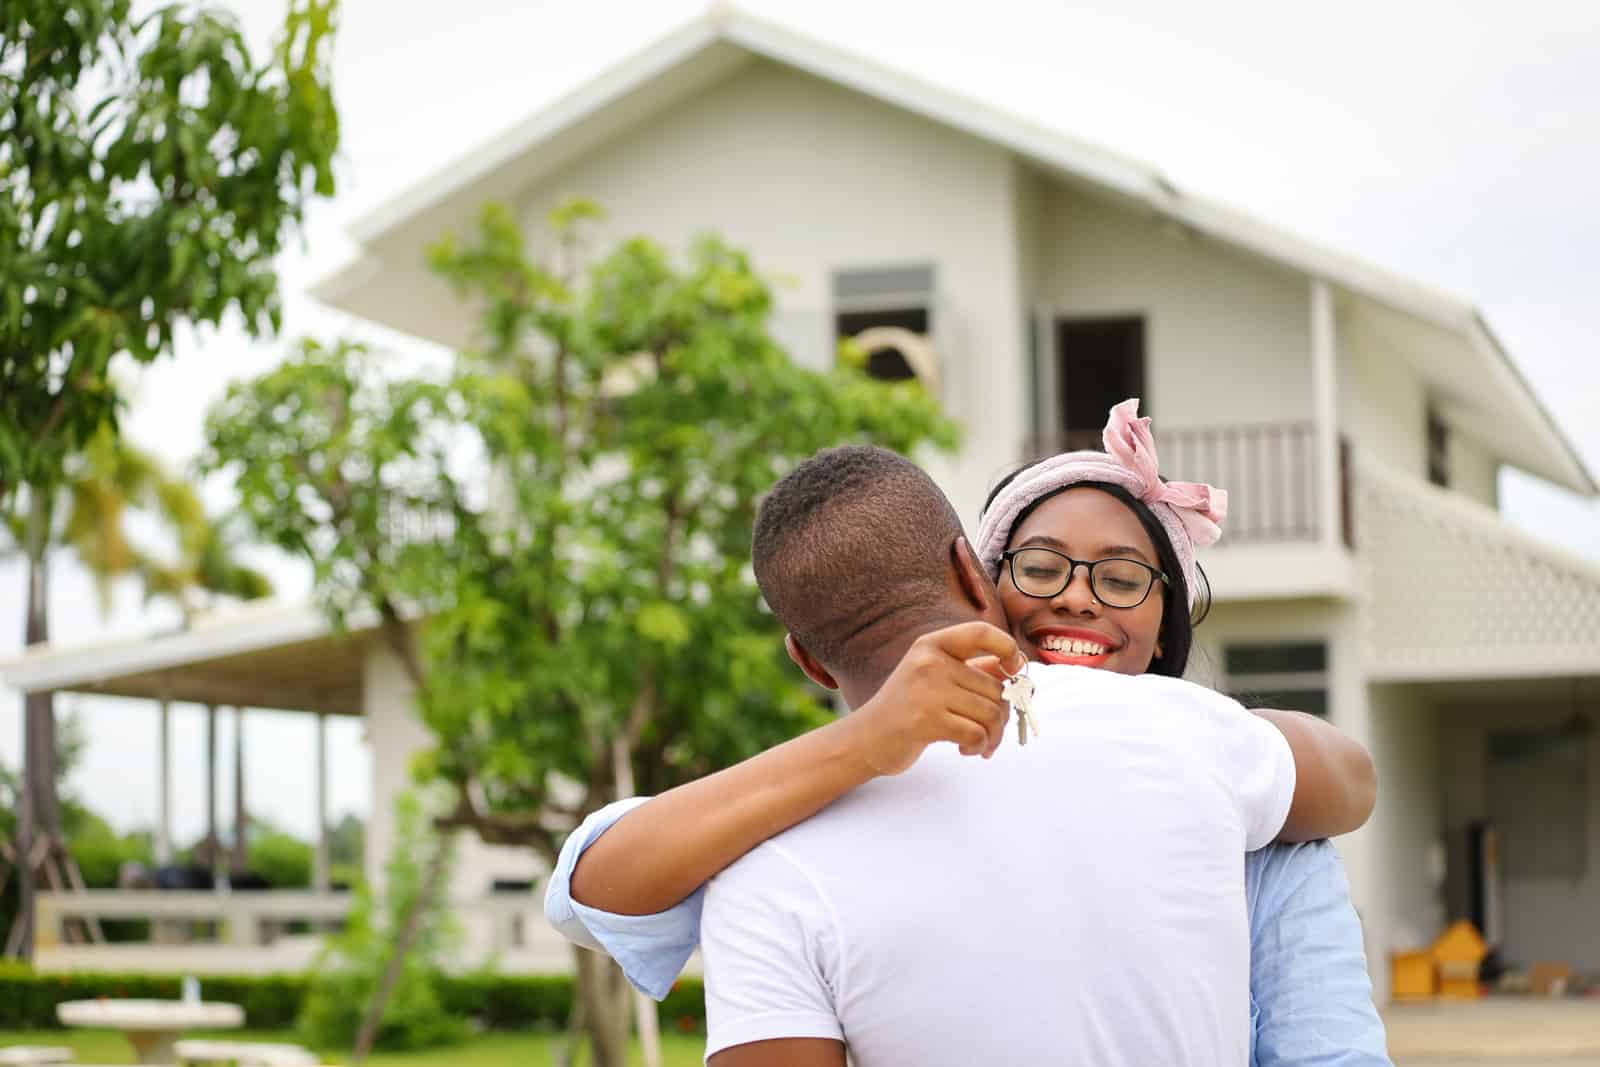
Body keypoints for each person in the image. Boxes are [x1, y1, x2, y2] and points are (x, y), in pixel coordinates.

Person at [546, 401, 1389, 1064]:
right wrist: (866, 746)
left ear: (806, 658)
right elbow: (593, 883)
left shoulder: (765, 865)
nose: (1079, 600)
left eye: (1125, 578)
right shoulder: (775, 828)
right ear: (975, 573)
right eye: (1042, 567)